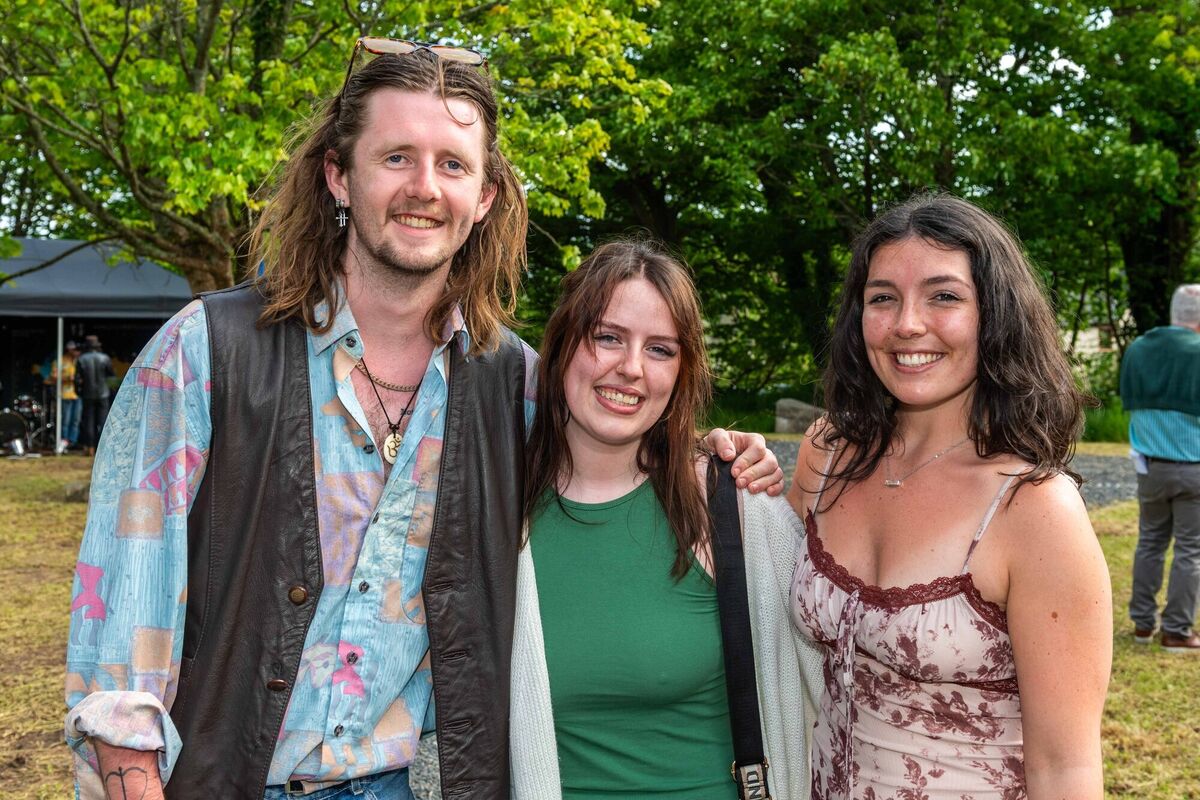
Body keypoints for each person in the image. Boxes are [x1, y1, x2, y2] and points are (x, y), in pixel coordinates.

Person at [64, 40, 781, 800]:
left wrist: (716, 452)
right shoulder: (206, 351)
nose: (424, 188)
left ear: (485, 198)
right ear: (339, 176)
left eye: (452, 165)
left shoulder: (513, 383)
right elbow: (124, 622)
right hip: (213, 782)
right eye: (397, 157)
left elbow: (610, 438)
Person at [787, 194, 1111, 799]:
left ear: (995, 314)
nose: (907, 324)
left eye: (943, 296)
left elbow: (1065, 767)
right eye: (883, 297)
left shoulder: (1034, 507)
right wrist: (732, 470)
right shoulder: (826, 454)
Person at [509, 240, 823, 800]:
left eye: (659, 349)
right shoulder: (493, 505)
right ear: (560, 346)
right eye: (607, 337)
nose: (630, 369)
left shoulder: (735, 503)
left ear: (682, 372)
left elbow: (833, 683)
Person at [1120, 283, 1200, 652]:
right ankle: (1177, 632)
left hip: (1149, 468)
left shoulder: (1138, 349)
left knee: (1150, 543)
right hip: (1193, 468)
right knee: (1190, 550)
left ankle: (1142, 625)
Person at [75, 334, 115, 456]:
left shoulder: (81, 359)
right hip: (103, 393)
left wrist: (79, 392)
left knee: (88, 422)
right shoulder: (105, 358)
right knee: (103, 421)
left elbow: (77, 379)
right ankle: (102, 448)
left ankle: (90, 448)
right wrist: (111, 392)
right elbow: (111, 377)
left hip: (88, 394)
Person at [49, 340, 82, 449]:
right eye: (75, 350)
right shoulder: (60, 361)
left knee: (76, 420)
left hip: (77, 394)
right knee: (65, 420)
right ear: (69, 350)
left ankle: (72, 442)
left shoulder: (80, 361)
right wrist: (67, 378)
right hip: (64, 394)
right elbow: (53, 377)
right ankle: (64, 441)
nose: (77, 352)